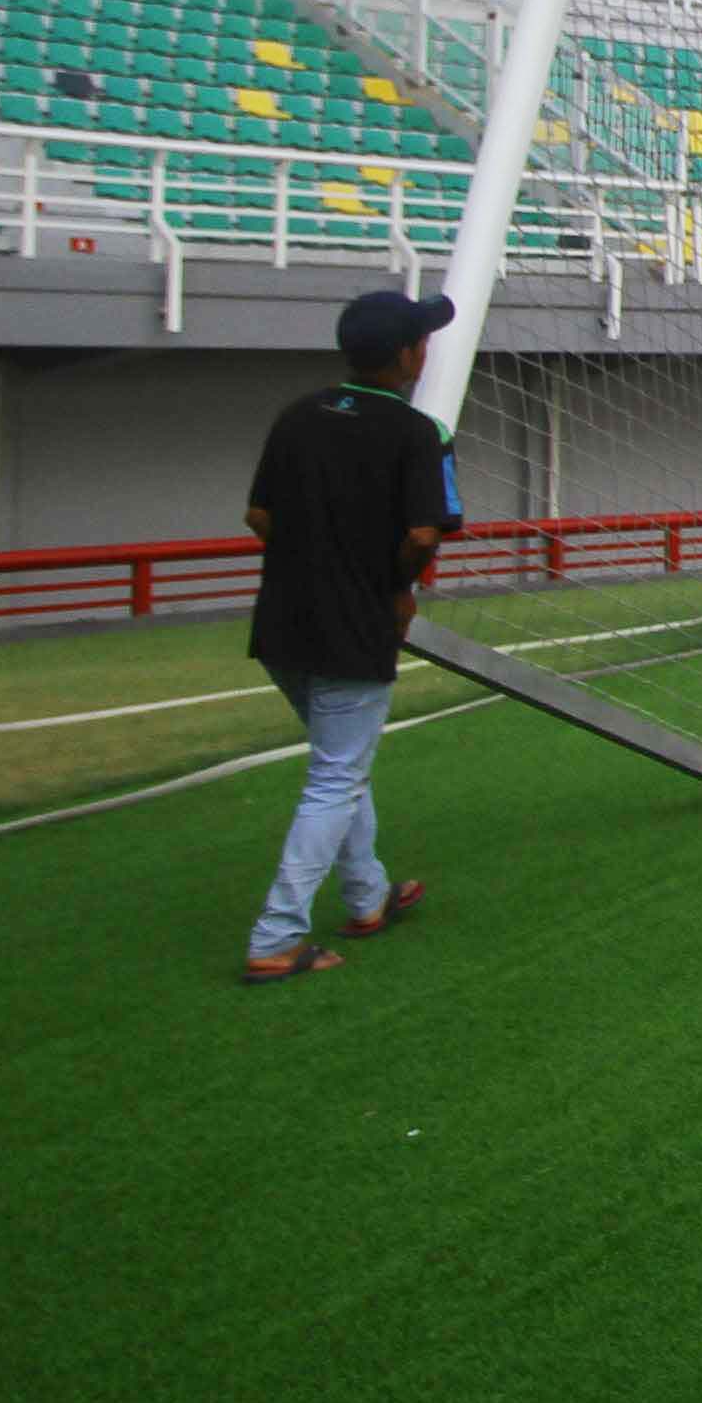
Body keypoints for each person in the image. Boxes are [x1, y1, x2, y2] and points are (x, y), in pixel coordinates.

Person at [236, 287, 462, 985]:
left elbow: (259, 516)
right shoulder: (415, 432)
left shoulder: (296, 416)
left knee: (342, 763)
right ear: (406, 355)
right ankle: (277, 934)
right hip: (353, 627)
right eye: (422, 340)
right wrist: (390, 583)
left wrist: (314, 555)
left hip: (280, 623)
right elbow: (425, 531)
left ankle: (368, 897)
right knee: (334, 777)